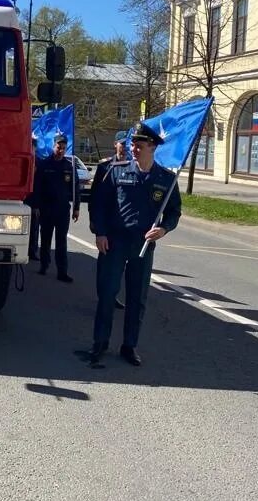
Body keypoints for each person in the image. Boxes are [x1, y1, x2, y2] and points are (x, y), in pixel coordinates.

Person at [88, 123, 181, 367]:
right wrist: (100, 233)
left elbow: (174, 212)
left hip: (142, 246)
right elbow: (100, 205)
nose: (134, 149)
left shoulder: (166, 179)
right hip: (114, 243)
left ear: (152, 147)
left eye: (139, 146)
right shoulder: (117, 171)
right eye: (132, 145)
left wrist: (163, 229)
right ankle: (99, 343)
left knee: (137, 298)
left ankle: (129, 345)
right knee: (107, 295)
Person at [28, 134, 80, 282]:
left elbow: (75, 188)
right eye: (59, 147)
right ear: (53, 146)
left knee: (61, 241)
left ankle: (62, 271)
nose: (61, 150)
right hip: (46, 208)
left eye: (63, 148)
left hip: (62, 209)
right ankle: (44, 265)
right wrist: (36, 205)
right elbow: (37, 187)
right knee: (45, 239)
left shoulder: (69, 167)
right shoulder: (45, 165)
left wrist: (76, 208)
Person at [88, 133, 128, 310]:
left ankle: (111, 295)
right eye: (121, 143)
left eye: (127, 144)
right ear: (115, 144)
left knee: (119, 266)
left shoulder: (131, 166)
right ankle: (103, 296)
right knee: (105, 264)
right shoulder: (105, 167)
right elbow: (95, 197)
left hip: (122, 225)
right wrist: (94, 222)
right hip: (106, 222)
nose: (124, 147)